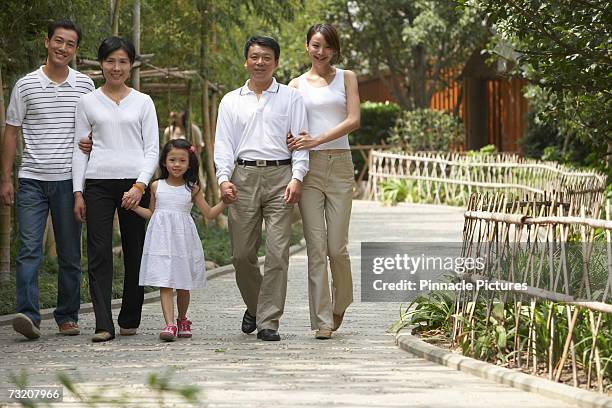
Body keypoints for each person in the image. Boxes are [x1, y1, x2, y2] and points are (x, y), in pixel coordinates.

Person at [1, 20, 94, 340]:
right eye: (58, 41)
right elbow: (11, 132)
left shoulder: (85, 86)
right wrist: (5, 179)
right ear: (46, 42)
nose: (63, 48)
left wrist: (91, 143)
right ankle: (28, 315)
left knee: (70, 253)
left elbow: (94, 128)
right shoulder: (25, 85)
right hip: (31, 180)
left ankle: (67, 315)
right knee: (29, 251)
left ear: (75, 50)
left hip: (70, 182)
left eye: (70, 44)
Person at [214, 36, 309, 341]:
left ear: (276, 62)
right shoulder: (231, 100)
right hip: (242, 177)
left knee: (278, 252)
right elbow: (223, 145)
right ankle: (255, 306)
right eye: (254, 57)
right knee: (241, 255)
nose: (260, 62)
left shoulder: (291, 98)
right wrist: (222, 178)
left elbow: (301, 143)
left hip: (281, 176)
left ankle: (268, 321)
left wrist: (297, 177)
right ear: (246, 61)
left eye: (266, 57)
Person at [72, 37, 159, 342]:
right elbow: (80, 149)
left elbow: (152, 149)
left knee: (135, 251)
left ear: (131, 64)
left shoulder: (143, 101)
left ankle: (129, 317)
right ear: (101, 64)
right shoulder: (88, 102)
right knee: (98, 253)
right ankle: (103, 324)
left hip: (134, 183)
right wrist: (78, 192)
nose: (116, 67)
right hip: (97, 183)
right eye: (110, 61)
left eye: (123, 61)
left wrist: (140, 185)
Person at [287, 24, 360, 340]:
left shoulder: (348, 77)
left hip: (341, 166)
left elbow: (353, 120)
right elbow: (290, 130)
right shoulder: (295, 85)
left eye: (327, 46)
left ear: (335, 49)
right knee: (316, 248)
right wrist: (294, 144)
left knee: (336, 248)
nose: (321, 52)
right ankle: (322, 319)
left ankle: (340, 301)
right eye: (316, 45)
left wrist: (317, 138)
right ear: (307, 46)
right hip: (310, 170)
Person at [132, 139, 226, 342]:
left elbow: (209, 213)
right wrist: (133, 207)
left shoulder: (192, 188)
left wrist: (224, 202)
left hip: (184, 240)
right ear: (164, 162)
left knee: (183, 284)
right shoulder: (156, 186)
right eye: (172, 159)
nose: (176, 164)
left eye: (182, 160)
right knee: (165, 282)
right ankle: (169, 324)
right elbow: (151, 213)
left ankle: (182, 318)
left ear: (189, 163)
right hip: (161, 240)